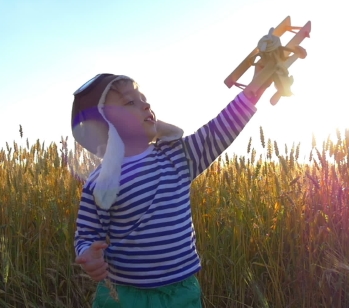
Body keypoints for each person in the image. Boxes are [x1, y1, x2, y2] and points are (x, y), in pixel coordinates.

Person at [70, 72, 271, 307]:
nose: (145, 104)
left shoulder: (177, 156)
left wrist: (253, 90)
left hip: (181, 293)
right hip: (123, 296)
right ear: (104, 123)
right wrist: (89, 254)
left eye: (143, 98)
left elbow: (218, 131)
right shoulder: (100, 181)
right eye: (130, 102)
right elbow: (86, 234)